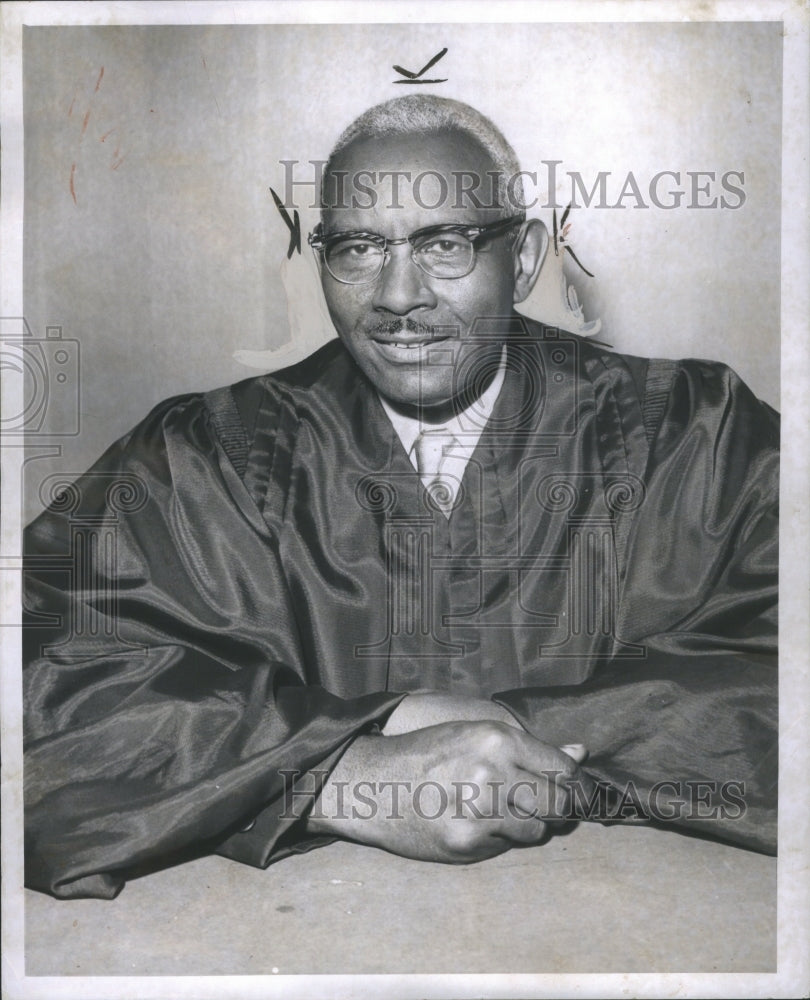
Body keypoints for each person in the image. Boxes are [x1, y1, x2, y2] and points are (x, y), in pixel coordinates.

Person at [23, 96, 778, 900]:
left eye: (444, 244)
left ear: (523, 258)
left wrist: (494, 736)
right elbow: (39, 674)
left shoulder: (692, 431)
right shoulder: (206, 453)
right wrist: (349, 772)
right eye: (356, 248)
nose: (397, 295)